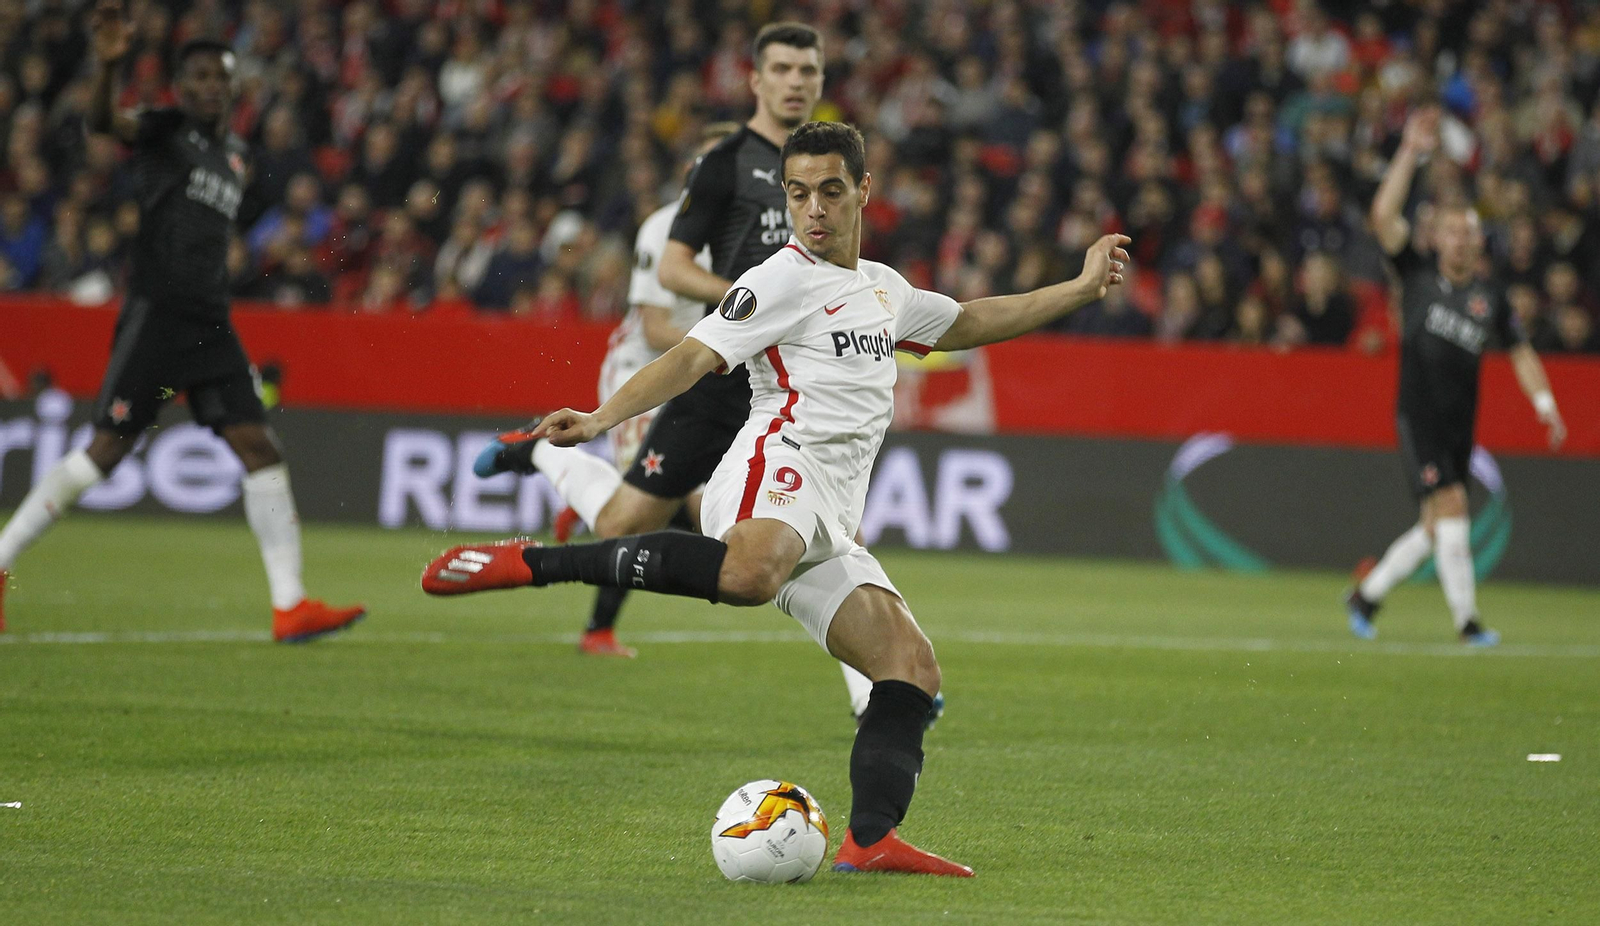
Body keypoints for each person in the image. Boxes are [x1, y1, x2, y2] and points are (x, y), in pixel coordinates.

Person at [425, 121, 1130, 876]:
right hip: (772, 472)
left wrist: (1082, 287)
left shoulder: (884, 290)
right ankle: (542, 563)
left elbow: (974, 320)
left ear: (864, 190)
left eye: (830, 191)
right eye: (798, 194)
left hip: (832, 517)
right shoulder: (779, 279)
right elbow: (693, 355)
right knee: (750, 574)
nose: (813, 210)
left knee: (909, 666)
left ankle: (869, 840)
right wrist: (601, 420)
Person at [476, 23, 892, 721]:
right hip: (725, 376)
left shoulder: (824, 165)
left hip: (795, 384)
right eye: (783, 69)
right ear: (755, 79)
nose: (796, 82)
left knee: (818, 535)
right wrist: (756, 301)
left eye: (808, 71)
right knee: (623, 520)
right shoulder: (726, 162)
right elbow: (672, 268)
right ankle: (547, 456)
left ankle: (873, 688)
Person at [0, 2, 364, 641]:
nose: (206, 87)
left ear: (231, 85)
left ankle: (290, 605)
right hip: (160, 315)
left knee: (259, 447)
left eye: (217, 76)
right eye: (194, 77)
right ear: (179, 87)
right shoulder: (165, 129)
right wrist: (110, 69)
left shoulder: (236, 156)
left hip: (210, 322)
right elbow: (104, 121)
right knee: (106, 451)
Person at [1345, 106, 1566, 645]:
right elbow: (1382, 215)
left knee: (1433, 526)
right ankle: (1468, 623)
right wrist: (1408, 152)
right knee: (1453, 507)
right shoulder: (1416, 275)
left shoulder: (1490, 298)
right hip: (1417, 417)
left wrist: (1545, 404)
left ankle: (1366, 596)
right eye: (1453, 232)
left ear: (1479, 241)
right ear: (1437, 239)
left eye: (1470, 233)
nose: (1462, 241)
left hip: (1458, 425)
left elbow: (1520, 353)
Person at [559, 122, 737, 657]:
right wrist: (727, 343)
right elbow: (656, 327)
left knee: (693, 508)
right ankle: (598, 628)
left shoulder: (744, 233)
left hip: (704, 375)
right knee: (647, 506)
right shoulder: (664, 229)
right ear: (691, 173)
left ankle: (587, 499)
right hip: (646, 367)